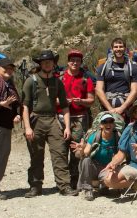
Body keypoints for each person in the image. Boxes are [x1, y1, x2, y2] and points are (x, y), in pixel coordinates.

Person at [22, 50, 78, 198]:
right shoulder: (31, 81)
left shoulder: (57, 82)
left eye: (50, 61)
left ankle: (64, 186)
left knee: (59, 153)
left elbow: (65, 106)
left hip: (53, 119)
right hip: (36, 120)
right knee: (36, 155)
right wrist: (27, 127)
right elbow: (25, 106)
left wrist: (66, 126)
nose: (47, 63)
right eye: (44, 61)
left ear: (54, 63)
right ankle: (35, 186)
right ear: (40, 64)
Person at [58, 49, 95, 189]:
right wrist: (61, 102)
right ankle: (62, 180)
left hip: (80, 118)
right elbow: (51, 98)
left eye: (78, 60)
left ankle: (74, 179)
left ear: (81, 62)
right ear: (68, 61)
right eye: (72, 60)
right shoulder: (59, 78)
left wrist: (81, 101)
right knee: (61, 149)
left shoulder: (86, 79)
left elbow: (91, 100)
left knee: (76, 149)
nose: (75, 63)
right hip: (61, 117)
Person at [71, 113, 117, 201]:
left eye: (110, 121)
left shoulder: (117, 137)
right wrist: (81, 149)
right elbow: (86, 153)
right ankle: (87, 189)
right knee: (86, 160)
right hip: (94, 167)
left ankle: (104, 187)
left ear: (114, 124)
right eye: (105, 122)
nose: (108, 124)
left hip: (108, 167)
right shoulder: (94, 136)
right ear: (101, 125)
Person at [0, 58, 21, 200]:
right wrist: (0, 103)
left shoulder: (10, 85)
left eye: (11, 68)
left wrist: (16, 114)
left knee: (2, 158)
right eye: (6, 68)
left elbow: (16, 103)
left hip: (6, 126)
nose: (9, 70)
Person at [95, 38, 137, 121]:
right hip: (108, 108)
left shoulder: (132, 68)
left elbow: (134, 90)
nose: (118, 49)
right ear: (112, 49)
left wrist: (122, 108)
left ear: (125, 49)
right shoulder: (103, 68)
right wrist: (110, 109)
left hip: (127, 108)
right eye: (116, 47)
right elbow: (99, 89)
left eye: (121, 46)